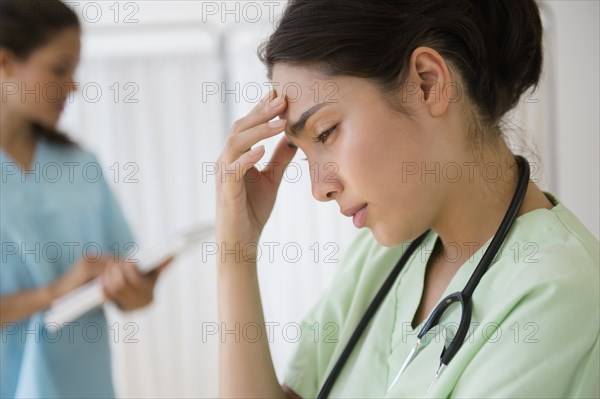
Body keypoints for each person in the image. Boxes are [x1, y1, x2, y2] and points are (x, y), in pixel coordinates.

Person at [215, 0, 599, 397]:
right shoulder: (381, 255)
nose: (319, 188)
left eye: (326, 132)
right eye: (303, 152)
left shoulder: (556, 293)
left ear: (427, 83)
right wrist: (235, 252)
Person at [0, 1, 167, 397]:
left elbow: (132, 292)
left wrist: (133, 290)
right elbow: (63, 289)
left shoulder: (81, 165)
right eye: (59, 69)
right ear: (5, 63)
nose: (73, 85)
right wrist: (54, 292)